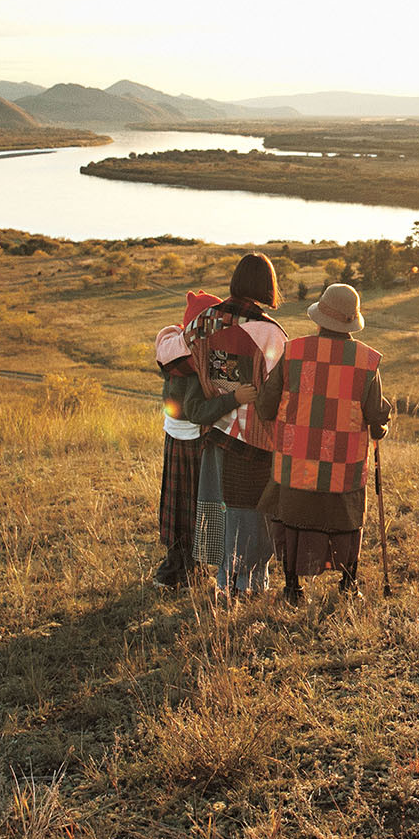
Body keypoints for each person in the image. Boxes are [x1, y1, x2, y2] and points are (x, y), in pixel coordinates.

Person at [255, 283, 391, 605]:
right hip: (344, 466)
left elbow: (266, 407)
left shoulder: (293, 352)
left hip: (295, 462)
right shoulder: (367, 361)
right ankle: (348, 584)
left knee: (292, 519)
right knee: (348, 520)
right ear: (352, 321)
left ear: (319, 319)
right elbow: (375, 419)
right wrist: (381, 427)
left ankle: (293, 588)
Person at [185, 254, 289, 599]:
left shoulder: (202, 322)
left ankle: (224, 582)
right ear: (267, 286)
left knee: (219, 511)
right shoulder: (270, 333)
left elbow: (186, 361)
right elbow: (279, 388)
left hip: (215, 433)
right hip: (256, 440)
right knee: (254, 516)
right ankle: (249, 587)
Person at [149, 289, 245, 590]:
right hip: (193, 439)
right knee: (194, 502)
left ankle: (179, 566)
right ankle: (184, 570)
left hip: (174, 435)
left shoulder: (175, 355)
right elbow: (197, 411)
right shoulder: (196, 363)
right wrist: (234, 398)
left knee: (177, 500)